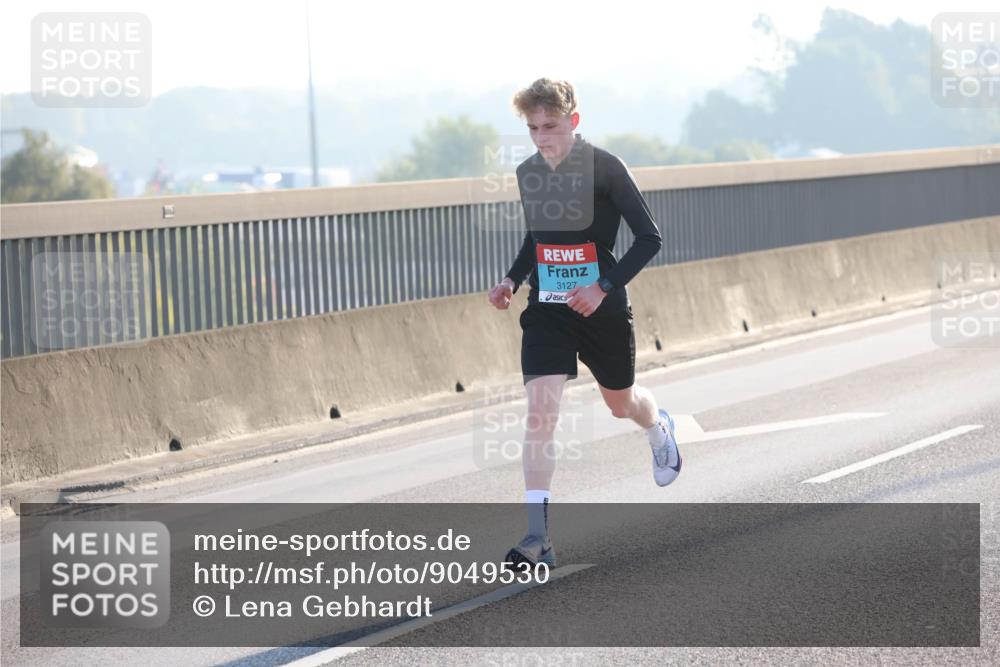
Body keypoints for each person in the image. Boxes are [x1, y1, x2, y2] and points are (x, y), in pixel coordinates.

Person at [488, 78, 682, 569]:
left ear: (573, 121)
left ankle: (657, 428)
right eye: (532, 128)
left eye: (549, 126)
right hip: (548, 311)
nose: (540, 137)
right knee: (540, 415)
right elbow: (538, 237)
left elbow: (649, 238)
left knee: (623, 404)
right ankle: (538, 538)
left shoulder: (605, 168)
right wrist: (511, 280)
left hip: (601, 309)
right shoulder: (529, 172)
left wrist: (602, 288)